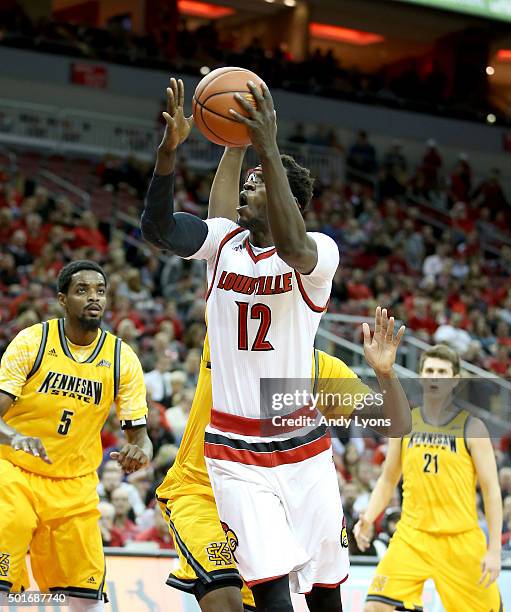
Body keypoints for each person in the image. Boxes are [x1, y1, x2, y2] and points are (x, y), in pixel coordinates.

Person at [142, 78, 411, 612]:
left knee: (326, 598)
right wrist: (169, 158)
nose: (246, 188)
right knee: (268, 601)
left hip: (303, 454)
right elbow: (159, 229)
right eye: (249, 182)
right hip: (232, 456)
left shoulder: (321, 256)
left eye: (258, 183)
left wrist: (384, 374)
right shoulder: (223, 243)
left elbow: (395, 422)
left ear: (287, 199)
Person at [0, 260, 153, 611]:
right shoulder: (32, 341)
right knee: (3, 584)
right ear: (62, 300)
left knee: (84, 599)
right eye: (82, 290)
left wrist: (139, 451)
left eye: (100, 291)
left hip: (75, 485)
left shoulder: (121, 357)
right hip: (13, 475)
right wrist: (13, 437)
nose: (93, 297)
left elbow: (140, 437)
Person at [354, 345, 503, 612]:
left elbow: (492, 492)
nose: (435, 377)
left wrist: (494, 550)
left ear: (455, 380)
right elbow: (388, 479)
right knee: (376, 607)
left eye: (443, 372)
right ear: (421, 376)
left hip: (461, 539)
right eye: (430, 371)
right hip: (413, 536)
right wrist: (368, 517)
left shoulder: (473, 427)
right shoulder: (404, 423)